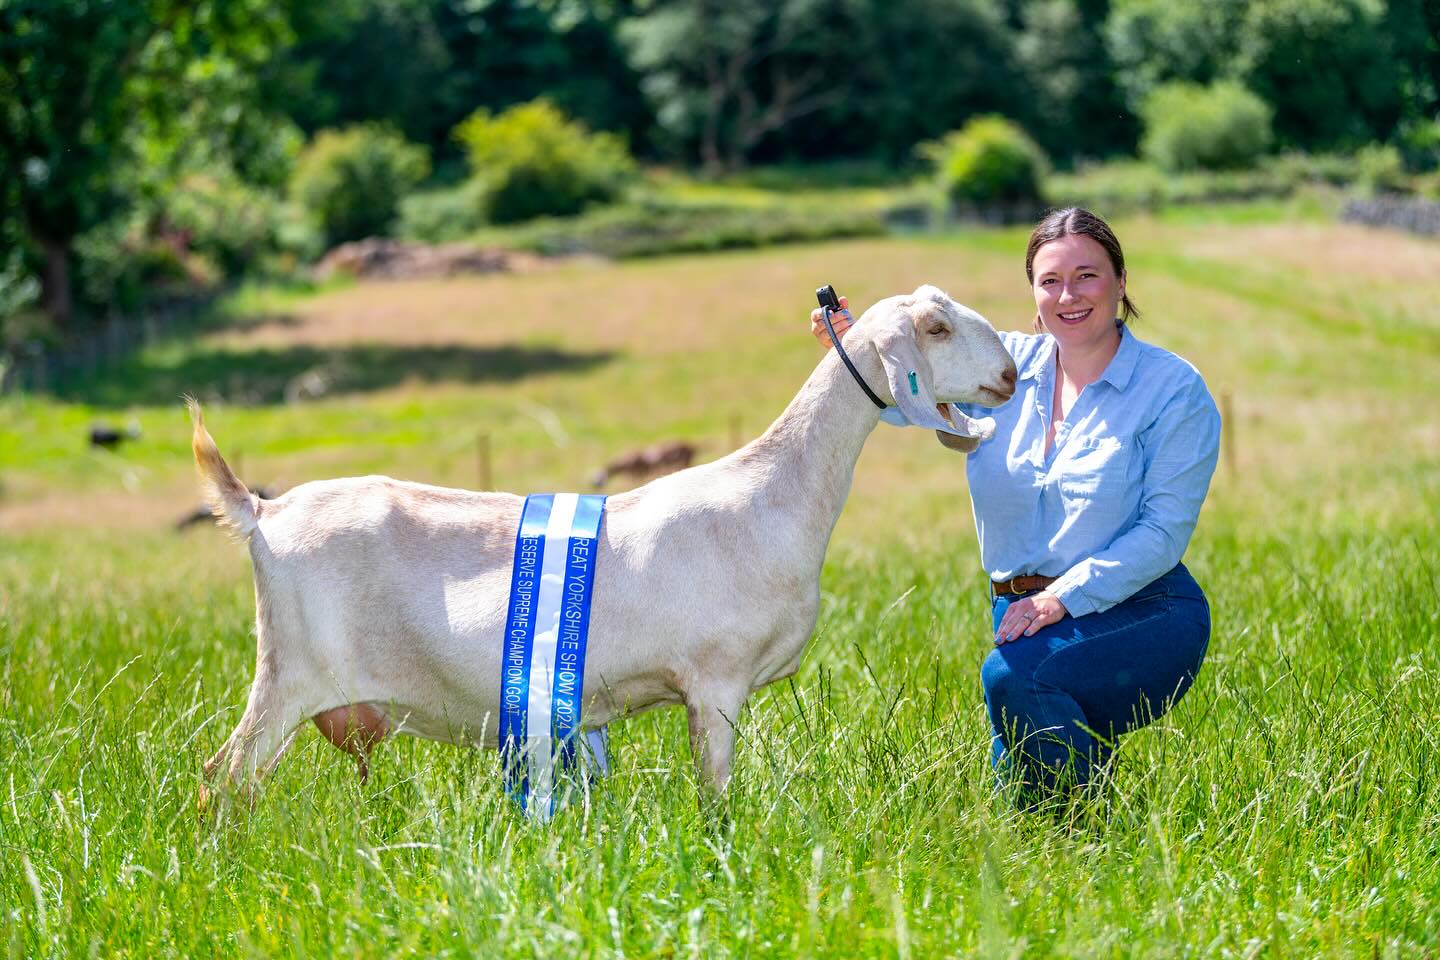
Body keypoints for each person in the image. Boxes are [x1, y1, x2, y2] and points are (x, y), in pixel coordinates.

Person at [809, 207, 1221, 803]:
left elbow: (1162, 534)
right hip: (1019, 618)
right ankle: (1104, 859)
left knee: (1013, 681)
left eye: (1087, 276)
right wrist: (854, 349)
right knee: (1021, 808)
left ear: (1121, 282)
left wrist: (1061, 598)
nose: (1068, 295)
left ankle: (1109, 831)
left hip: (1141, 610)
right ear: (1033, 292)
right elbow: (903, 395)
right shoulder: (1001, 368)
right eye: (1050, 280)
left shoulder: (1172, 390)